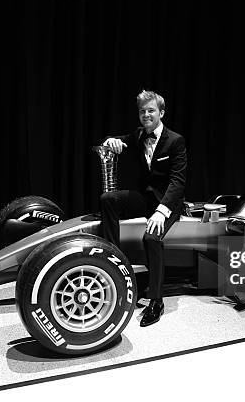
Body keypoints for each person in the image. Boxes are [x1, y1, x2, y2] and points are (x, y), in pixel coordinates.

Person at [100, 90, 187, 327]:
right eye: (142, 111)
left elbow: (178, 182)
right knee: (108, 199)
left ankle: (156, 300)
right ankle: (112, 263)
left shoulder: (175, 140)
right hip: (145, 198)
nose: (146, 114)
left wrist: (162, 211)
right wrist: (111, 141)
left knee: (151, 238)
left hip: (167, 204)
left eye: (151, 110)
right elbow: (120, 140)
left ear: (161, 112)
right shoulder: (139, 135)